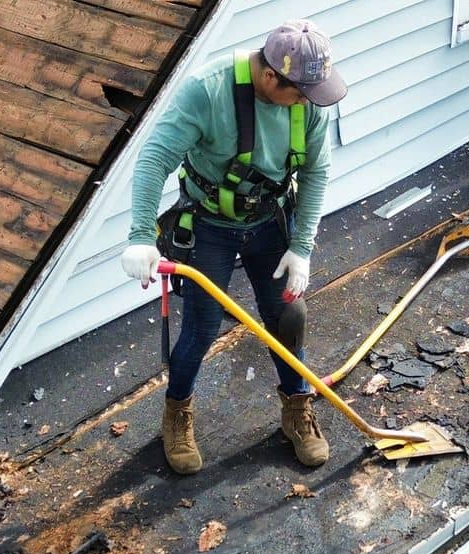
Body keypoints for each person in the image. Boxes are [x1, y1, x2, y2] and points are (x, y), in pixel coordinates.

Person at [120, 20, 347, 475]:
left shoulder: (310, 99)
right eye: (300, 92)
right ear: (270, 78)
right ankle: (177, 412)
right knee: (201, 329)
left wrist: (301, 247)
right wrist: (141, 236)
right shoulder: (208, 91)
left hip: (269, 222)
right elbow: (154, 158)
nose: (307, 101)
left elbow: (317, 174)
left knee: (287, 319)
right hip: (209, 225)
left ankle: (296, 408)